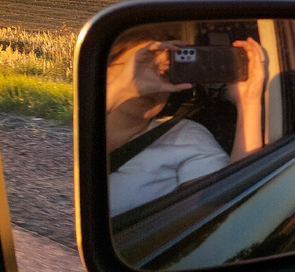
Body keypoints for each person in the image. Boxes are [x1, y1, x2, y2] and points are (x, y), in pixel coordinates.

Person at [106, 31, 267, 216]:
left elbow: (231, 209)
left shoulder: (184, 137)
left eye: (166, 72)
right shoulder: (72, 129)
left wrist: (248, 102)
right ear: (104, 69)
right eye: (139, 67)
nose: (153, 82)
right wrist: (119, 91)